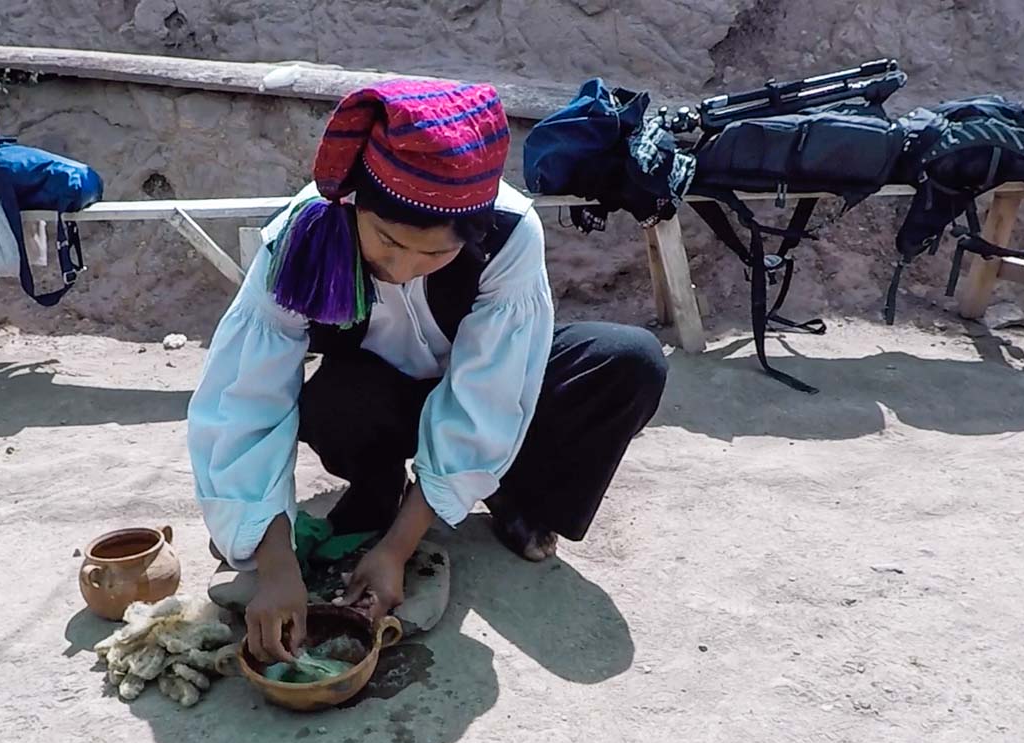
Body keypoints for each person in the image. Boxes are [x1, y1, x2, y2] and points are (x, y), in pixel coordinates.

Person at [188, 79, 667, 662]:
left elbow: (491, 392)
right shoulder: (304, 233)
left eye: (435, 254)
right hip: (378, 393)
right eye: (387, 243)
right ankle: (376, 485)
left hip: (475, 379)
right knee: (338, 398)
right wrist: (276, 563)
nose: (404, 269)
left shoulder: (510, 232)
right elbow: (245, 397)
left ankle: (514, 496)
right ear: (357, 205)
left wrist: (396, 551)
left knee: (627, 362)